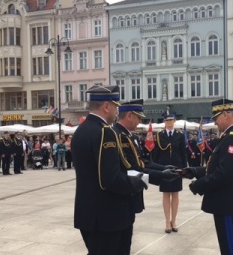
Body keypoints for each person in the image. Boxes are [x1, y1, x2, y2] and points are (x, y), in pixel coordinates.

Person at [72, 85, 148, 255]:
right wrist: (136, 182)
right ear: (106, 106)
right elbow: (110, 179)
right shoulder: (105, 132)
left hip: (88, 214)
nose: (116, 111)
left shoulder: (81, 130)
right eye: (115, 106)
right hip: (109, 217)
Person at [182, 99, 233, 255]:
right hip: (226, 203)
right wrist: (194, 171)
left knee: (232, 250)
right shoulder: (229, 136)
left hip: (228, 204)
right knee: (228, 248)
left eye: (216, 118)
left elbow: (224, 174)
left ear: (225, 115)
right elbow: (218, 166)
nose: (215, 122)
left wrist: (200, 184)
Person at [112, 99, 180, 245]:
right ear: (129, 115)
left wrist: (164, 168)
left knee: (126, 240)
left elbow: (143, 161)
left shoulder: (131, 136)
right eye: (138, 117)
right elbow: (133, 168)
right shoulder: (117, 136)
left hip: (131, 194)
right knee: (120, 244)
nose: (139, 122)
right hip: (122, 195)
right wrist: (162, 175)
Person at [153, 111, 187, 233]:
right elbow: (156, 153)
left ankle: (174, 220)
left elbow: (183, 153)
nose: (169, 122)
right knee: (166, 194)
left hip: (177, 167)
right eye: (166, 120)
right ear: (164, 122)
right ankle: (167, 221)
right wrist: (156, 169)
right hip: (164, 167)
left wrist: (184, 168)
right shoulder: (159, 135)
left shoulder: (180, 135)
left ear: (174, 121)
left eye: (171, 120)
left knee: (176, 194)